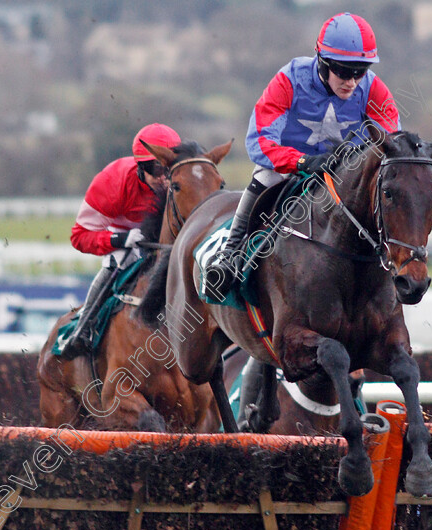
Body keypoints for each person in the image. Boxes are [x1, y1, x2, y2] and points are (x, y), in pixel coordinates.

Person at [203, 12, 400, 300]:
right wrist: (301, 162)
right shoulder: (290, 79)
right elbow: (260, 140)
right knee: (267, 175)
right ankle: (230, 256)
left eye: (361, 71)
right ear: (322, 61)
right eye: (344, 72)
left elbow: (391, 142)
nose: (352, 82)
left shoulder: (372, 88)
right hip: (289, 167)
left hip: (343, 172)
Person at [57, 122, 181, 360]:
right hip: (127, 239)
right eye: (155, 170)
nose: (163, 179)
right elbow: (80, 236)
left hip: (166, 238)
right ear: (140, 167)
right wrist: (122, 239)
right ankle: (84, 327)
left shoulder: (180, 181)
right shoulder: (112, 181)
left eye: (168, 169)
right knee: (119, 261)